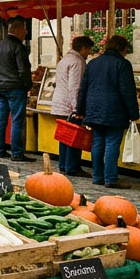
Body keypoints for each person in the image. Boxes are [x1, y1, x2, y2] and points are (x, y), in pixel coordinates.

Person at [76, 35, 140, 189]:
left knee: (97, 142)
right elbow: (127, 91)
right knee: (112, 143)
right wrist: (133, 114)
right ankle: (111, 178)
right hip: (114, 110)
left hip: (94, 109)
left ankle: (97, 176)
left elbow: (83, 87)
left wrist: (81, 109)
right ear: (122, 49)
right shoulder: (123, 64)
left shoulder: (93, 63)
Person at [0, 18, 33, 162]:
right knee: (17, 120)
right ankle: (17, 152)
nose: (26, 32)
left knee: (1, 119)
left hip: (0, 87)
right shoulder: (19, 47)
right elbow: (23, 70)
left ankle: (0, 149)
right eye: (25, 29)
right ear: (17, 29)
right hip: (15, 88)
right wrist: (28, 85)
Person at [51, 35, 95, 176]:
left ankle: (63, 164)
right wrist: (77, 108)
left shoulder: (65, 59)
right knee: (74, 136)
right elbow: (75, 87)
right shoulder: (78, 62)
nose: (89, 53)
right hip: (69, 104)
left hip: (60, 102)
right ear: (83, 48)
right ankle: (72, 167)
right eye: (88, 50)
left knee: (65, 136)